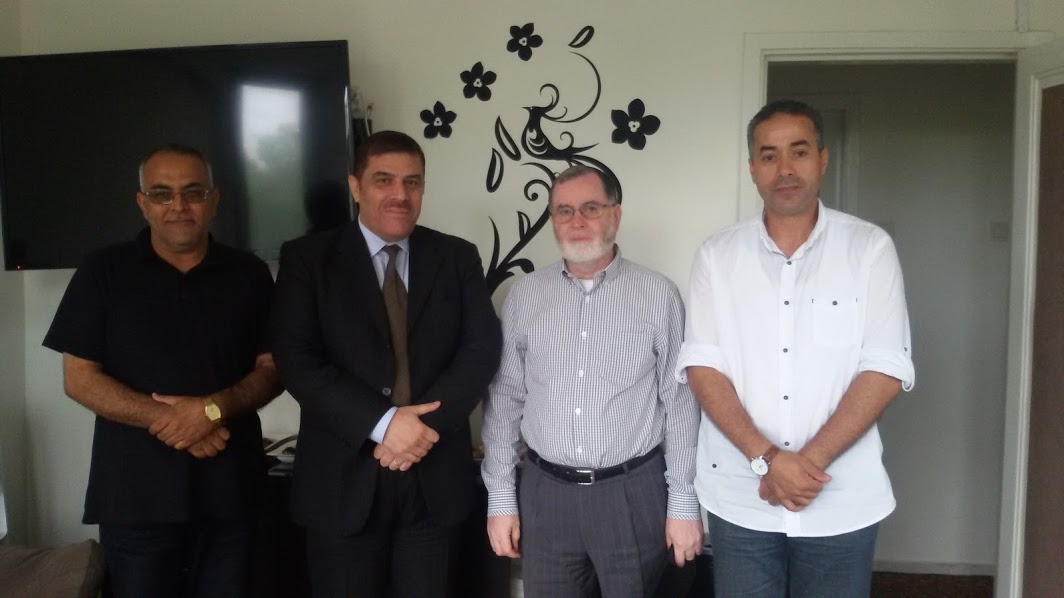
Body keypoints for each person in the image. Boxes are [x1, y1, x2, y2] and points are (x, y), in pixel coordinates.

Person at [677, 99, 916, 597]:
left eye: (799, 151)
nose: (784, 168)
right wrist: (768, 460)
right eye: (769, 155)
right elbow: (703, 367)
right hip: (741, 496)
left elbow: (885, 368)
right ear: (752, 168)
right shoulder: (717, 256)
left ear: (822, 159)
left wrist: (803, 467)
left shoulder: (869, 249)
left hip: (841, 498)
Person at [43, 144, 283, 598]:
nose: (178, 206)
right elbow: (79, 378)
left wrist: (211, 410)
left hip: (232, 493)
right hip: (135, 497)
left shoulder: (249, 273)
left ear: (214, 199)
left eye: (193, 192)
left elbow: (272, 368)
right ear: (142, 203)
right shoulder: (102, 271)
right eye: (161, 193)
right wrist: (178, 420)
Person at [270, 130, 502, 598]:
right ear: (356, 187)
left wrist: (418, 430)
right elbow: (296, 359)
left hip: (434, 482)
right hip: (341, 482)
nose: (400, 194)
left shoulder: (457, 256)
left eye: (412, 182)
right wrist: (382, 424)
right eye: (384, 180)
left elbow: (480, 350)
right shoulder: (307, 259)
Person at [482, 164, 704, 597]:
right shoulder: (525, 295)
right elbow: (505, 399)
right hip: (544, 495)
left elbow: (679, 404)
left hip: (631, 494)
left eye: (590, 208)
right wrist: (501, 498)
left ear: (615, 215)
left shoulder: (658, 295)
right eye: (564, 211)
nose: (577, 220)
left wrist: (683, 502)